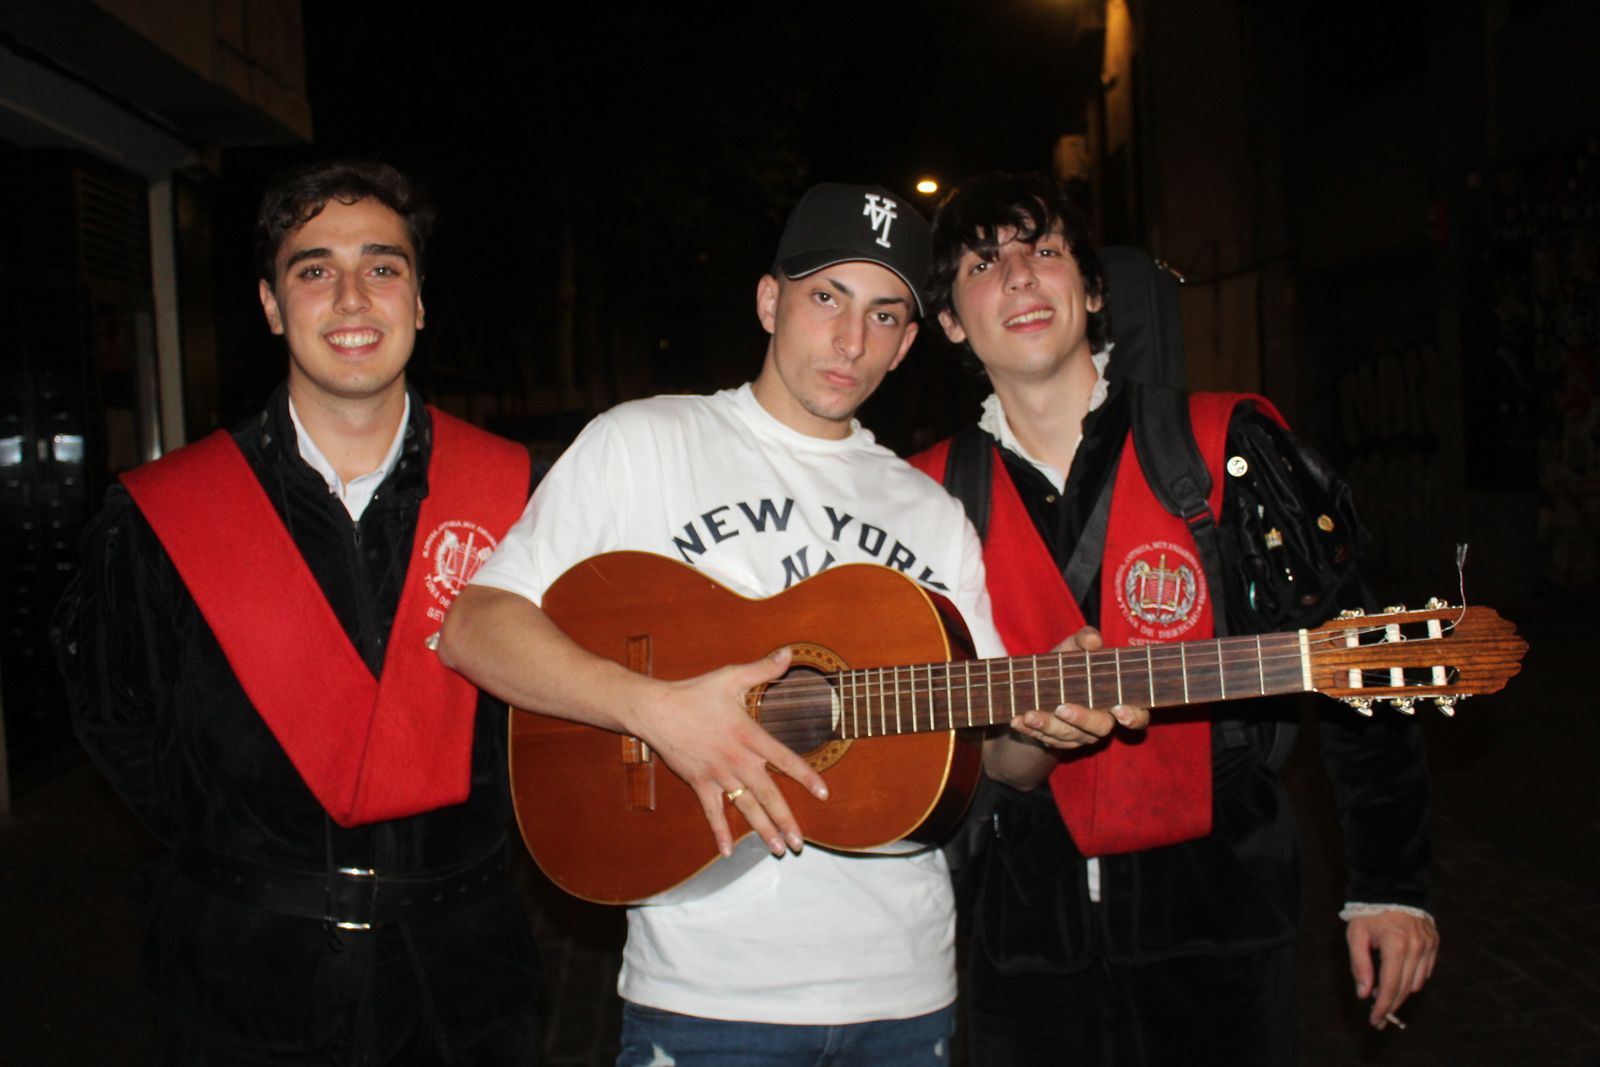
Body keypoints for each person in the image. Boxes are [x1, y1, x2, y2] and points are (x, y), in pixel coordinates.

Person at [437, 183, 1145, 1066]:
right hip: (705, 999)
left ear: (908, 343)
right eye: (826, 298)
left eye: (884, 315)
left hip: (906, 995)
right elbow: (474, 626)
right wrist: (654, 709)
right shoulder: (645, 442)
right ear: (770, 301)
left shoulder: (931, 512)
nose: (852, 340)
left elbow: (999, 759)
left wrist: (1047, 724)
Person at [909, 172, 1438, 1066]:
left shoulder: (1226, 447)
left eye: (1045, 250)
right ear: (953, 322)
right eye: (983, 263)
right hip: (1024, 943)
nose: (1020, 276)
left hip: (1218, 924)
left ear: (1094, 289)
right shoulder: (922, 496)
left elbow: (1360, 661)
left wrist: (1390, 885)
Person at [53, 161, 542, 1064]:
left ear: (419, 301)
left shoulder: (524, 500)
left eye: (383, 266)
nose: (352, 297)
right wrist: (258, 858)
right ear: (272, 306)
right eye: (315, 269)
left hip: (464, 987)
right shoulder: (162, 518)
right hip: (241, 988)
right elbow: (122, 726)